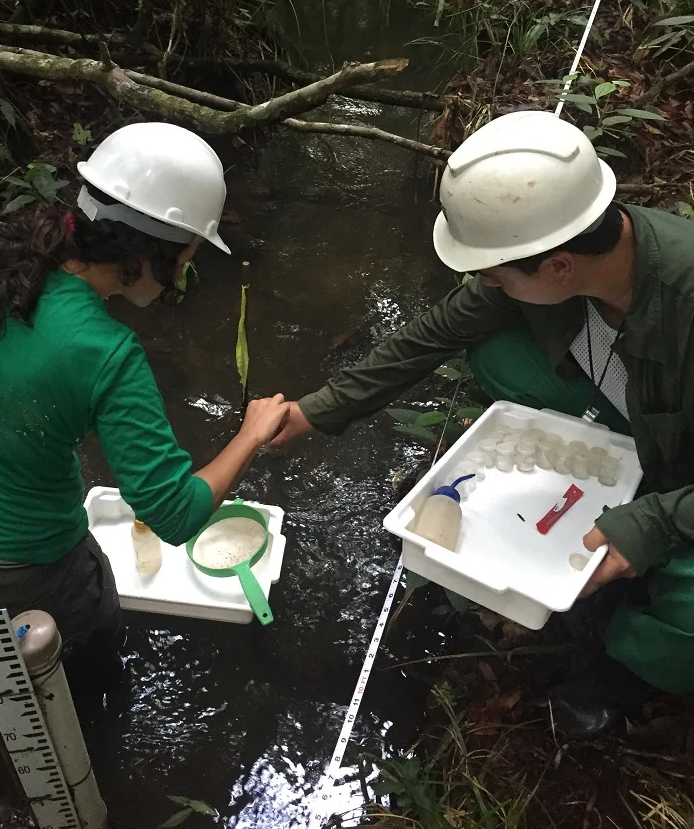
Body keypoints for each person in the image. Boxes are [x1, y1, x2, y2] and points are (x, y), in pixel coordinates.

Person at [272, 109, 694, 738]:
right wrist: (316, 410)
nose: (483, 283)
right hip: (643, 414)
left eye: (493, 272)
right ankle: (614, 476)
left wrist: (655, 521)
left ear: (557, 269)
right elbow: (434, 333)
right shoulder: (562, 250)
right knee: (496, 353)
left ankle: (632, 666)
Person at [0, 122, 287, 695]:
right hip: (26, 572)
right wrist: (250, 435)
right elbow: (173, 514)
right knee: (87, 676)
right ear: (156, 250)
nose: (183, 275)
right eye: (187, 257)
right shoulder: (107, 353)